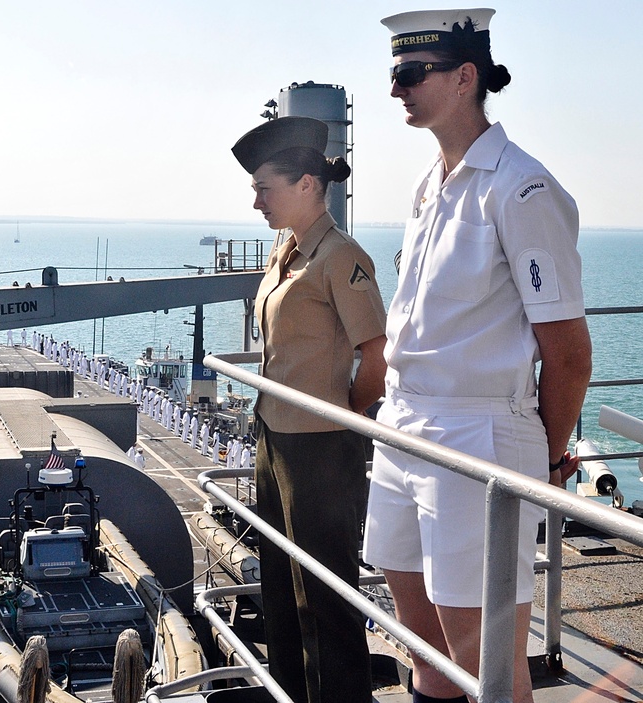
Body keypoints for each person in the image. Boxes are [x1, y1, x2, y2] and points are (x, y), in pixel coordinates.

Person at [363, 10, 592, 703]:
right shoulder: (430, 184)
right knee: (426, 655)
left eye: (410, 75)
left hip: (478, 436)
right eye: (393, 75)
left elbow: (570, 354)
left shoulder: (519, 187)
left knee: (490, 665)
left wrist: (547, 461)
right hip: (404, 428)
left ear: (465, 78)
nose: (397, 90)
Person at [233, 116, 388, 703]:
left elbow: (375, 355)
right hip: (274, 435)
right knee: (279, 584)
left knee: (323, 593)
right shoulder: (288, 252)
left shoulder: (340, 258)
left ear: (306, 185)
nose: (256, 202)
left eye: (263, 188)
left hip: (321, 445)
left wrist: (342, 414)